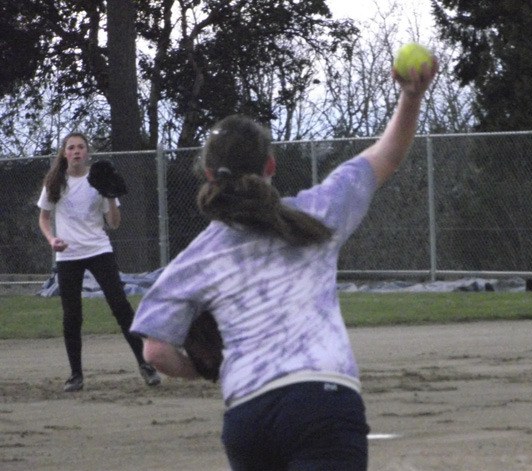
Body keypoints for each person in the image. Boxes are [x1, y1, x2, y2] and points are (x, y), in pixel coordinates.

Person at [130, 58, 438, 469]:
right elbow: (387, 155)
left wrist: (209, 371)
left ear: (207, 173)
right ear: (270, 166)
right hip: (324, 403)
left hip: (248, 416)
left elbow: (155, 352)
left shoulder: (196, 258)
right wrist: (410, 96)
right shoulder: (316, 214)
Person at [37, 132, 161, 392]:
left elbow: (113, 224)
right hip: (68, 254)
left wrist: (110, 196)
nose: (76, 151)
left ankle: (146, 365)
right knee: (72, 315)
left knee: (121, 307)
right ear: (64, 153)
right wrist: (52, 239)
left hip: (98, 249)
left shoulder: (99, 179)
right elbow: (44, 218)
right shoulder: (55, 182)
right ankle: (76, 375)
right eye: (71, 147)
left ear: (87, 152)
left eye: (81, 147)